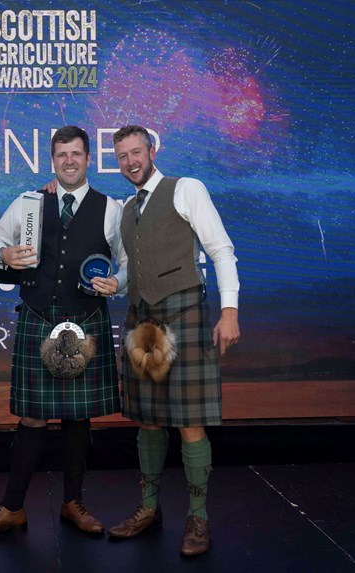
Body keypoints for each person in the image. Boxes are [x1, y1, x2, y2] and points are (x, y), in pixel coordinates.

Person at [0, 125, 128, 538]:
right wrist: (3, 251)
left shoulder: (112, 209)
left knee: (78, 417)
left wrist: (118, 282)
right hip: (38, 316)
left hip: (86, 320)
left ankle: (73, 502)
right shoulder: (31, 202)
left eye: (76, 154)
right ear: (52, 160)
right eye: (61, 155)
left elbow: (127, 262)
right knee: (32, 418)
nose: (68, 161)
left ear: (89, 159)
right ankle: (12, 507)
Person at [107, 125, 240, 557]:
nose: (130, 161)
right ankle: (149, 510)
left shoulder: (187, 189)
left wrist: (230, 311)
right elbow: (132, 266)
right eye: (122, 155)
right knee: (146, 420)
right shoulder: (127, 209)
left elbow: (220, 249)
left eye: (136, 152)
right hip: (142, 325)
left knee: (189, 422)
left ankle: (197, 519)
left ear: (151, 150)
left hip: (185, 319)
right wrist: (116, 281)